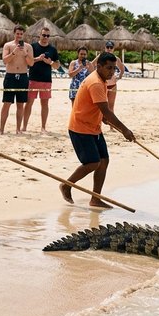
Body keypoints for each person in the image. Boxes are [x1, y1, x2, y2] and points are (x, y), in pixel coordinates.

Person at [61, 52, 135, 208]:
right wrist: (125, 130)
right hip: (80, 128)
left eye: (114, 69)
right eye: (109, 68)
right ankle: (67, 185)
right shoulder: (95, 82)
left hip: (93, 127)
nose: (112, 72)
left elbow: (101, 111)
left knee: (104, 161)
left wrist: (104, 118)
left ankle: (95, 198)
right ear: (99, 66)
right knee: (93, 162)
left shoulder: (102, 80)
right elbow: (107, 111)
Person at [0, 25, 34, 134]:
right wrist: (14, 52)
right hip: (10, 76)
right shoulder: (8, 45)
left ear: (23, 34)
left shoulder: (28, 47)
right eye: (17, 33)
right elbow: (5, 60)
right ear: (14, 33)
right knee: (7, 103)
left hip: (23, 76)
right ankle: (1, 129)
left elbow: (31, 63)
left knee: (20, 104)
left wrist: (25, 54)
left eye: (21, 34)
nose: (19, 36)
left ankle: (18, 129)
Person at [26, 26, 60, 133]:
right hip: (33, 79)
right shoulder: (33, 47)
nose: (45, 37)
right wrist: (38, 59)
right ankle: (24, 126)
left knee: (44, 104)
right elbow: (28, 62)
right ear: (39, 35)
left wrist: (49, 62)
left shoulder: (52, 49)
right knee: (29, 103)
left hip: (46, 80)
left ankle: (43, 127)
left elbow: (57, 66)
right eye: (44, 35)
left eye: (48, 36)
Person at [91, 41, 125, 114]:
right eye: (107, 47)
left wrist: (119, 77)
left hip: (112, 85)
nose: (109, 49)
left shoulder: (116, 59)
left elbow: (122, 68)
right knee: (100, 107)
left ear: (113, 49)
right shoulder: (100, 57)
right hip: (101, 84)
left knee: (110, 107)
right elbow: (92, 65)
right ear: (105, 48)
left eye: (111, 47)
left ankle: (111, 125)